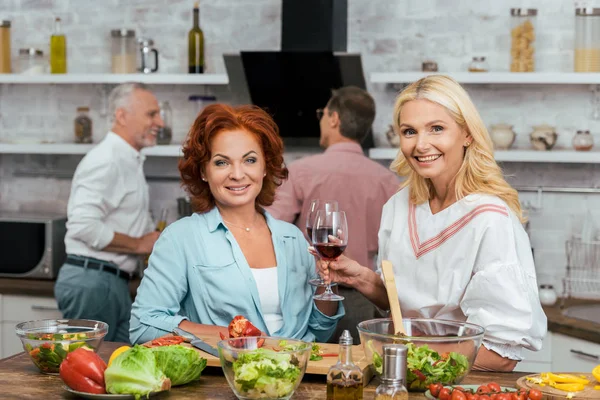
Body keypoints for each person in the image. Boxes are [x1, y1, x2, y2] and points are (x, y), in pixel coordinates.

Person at [317, 75, 547, 371]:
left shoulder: (490, 218)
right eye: (409, 131)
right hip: (403, 377)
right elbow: (402, 305)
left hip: (458, 383)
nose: (421, 144)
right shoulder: (398, 206)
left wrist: (401, 350)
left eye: (436, 128)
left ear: (467, 134)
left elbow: (501, 355)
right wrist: (360, 278)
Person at [129, 104, 344, 345]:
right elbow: (144, 326)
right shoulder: (181, 238)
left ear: (265, 167)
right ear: (203, 171)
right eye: (222, 163)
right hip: (227, 377)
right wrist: (232, 337)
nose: (238, 174)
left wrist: (329, 283)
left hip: (298, 375)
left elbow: (321, 330)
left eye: (250, 160)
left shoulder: (293, 238)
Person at [267, 86, 400, 343]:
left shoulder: (300, 171)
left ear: (334, 119)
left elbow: (270, 227)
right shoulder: (388, 181)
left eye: (322, 114)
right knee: (358, 372)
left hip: (312, 296)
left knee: (310, 368)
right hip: (366, 299)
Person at [54, 82, 163, 343]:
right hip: (94, 283)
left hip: (108, 282)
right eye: (151, 114)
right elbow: (83, 225)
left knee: (114, 369)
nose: (159, 122)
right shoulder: (106, 159)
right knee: (87, 372)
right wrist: (138, 244)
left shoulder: (128, 159)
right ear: (122, 116)